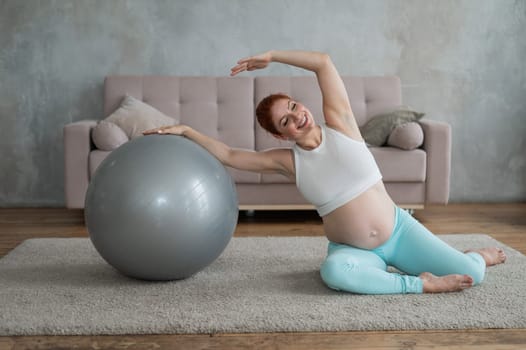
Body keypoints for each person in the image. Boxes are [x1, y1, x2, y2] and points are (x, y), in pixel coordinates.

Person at [144, 50, 506, 294]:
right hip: (352, 249)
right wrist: (186, 131)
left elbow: (323, 64)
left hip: (400, 231)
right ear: (279, 134)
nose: (296, 117)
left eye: (293, 107)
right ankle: (418, 284)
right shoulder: (288, 162)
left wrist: (271, 56)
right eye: (285, 120)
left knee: (472, 274)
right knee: (334, 274)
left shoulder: (342, 124)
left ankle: (476, 254)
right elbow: (229, 154)